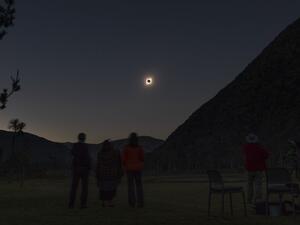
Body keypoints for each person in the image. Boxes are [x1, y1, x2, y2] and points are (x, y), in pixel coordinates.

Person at [96, 139, 123, 207]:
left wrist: (97, 173)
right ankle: (110, 202)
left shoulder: (100, 153)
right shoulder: (115, 153)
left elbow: (98, 164)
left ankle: (103, 202)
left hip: (102, 174)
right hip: (112, 173)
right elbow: (119, 162)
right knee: (111, 189)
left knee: (103, 188)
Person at [243, 133, 269, 204]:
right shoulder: (259, 147)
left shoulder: (246, 147)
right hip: (258, 169)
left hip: (249, 169)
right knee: (258, 185)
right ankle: (257, 200)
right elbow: (266, 155)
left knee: (249, 185)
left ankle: (249, 199)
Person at [122, 132, 145, 208]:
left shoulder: (126, 148)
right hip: (138, 168)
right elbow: (142, 158)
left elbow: (124, 159)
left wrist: (125, 166)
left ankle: (132, 203)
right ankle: (140, 203)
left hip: (129, 169)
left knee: (131, 187)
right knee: (139, 186)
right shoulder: (139, 148)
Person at [68, 133, 91, 209]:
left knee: (74, 187)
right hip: (84, 169)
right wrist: (89, 167)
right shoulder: (85, 146)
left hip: (76, 168)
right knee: (84, 187)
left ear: (78, 138)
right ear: (84, 138)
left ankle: (71, 204)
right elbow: (88, 158)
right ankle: (83, 204)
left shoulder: (75, 146)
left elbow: (72, 154)